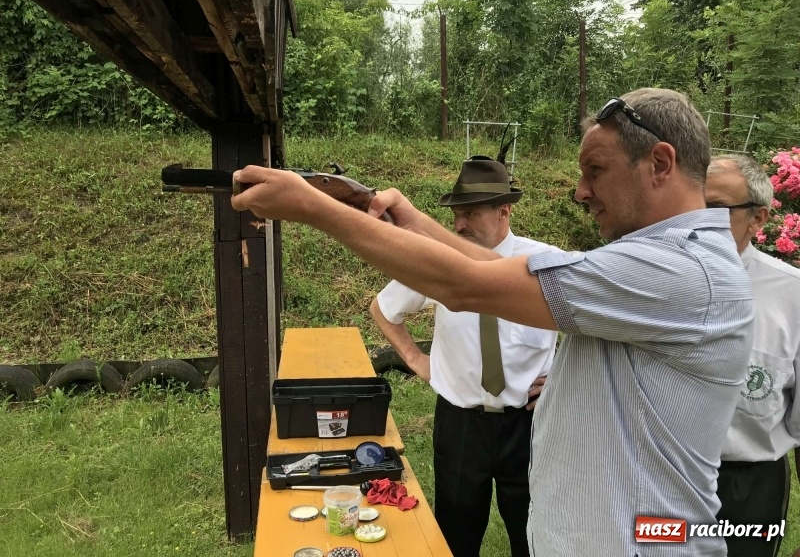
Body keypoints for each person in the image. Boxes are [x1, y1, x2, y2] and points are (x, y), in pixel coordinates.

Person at [231, 87, 754, 556]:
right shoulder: (671, 259)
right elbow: (488, 268)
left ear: (660, 163)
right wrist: (413, 221)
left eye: (595, 170)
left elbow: (469, 286)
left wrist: (314, 208)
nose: (581, 191)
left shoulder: (678, 268)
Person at [370, 156, 559, 557]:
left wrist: (563, 377)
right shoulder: (441, 265)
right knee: (455, 536)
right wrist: (415, 359)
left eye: (470, 213)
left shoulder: (542, 265)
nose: (458, 225)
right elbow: (384, 309)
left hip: (528, 425)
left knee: (535, 535)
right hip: (461, 425)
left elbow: (586, 328)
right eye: (456, 215)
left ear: (504, 210)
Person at [705, 154, 800, 557]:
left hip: (748, 487)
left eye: (716, 208)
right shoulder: (650, 284)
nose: (698, 219)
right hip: (662, 479)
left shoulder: (792, 296)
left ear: (758, 218)